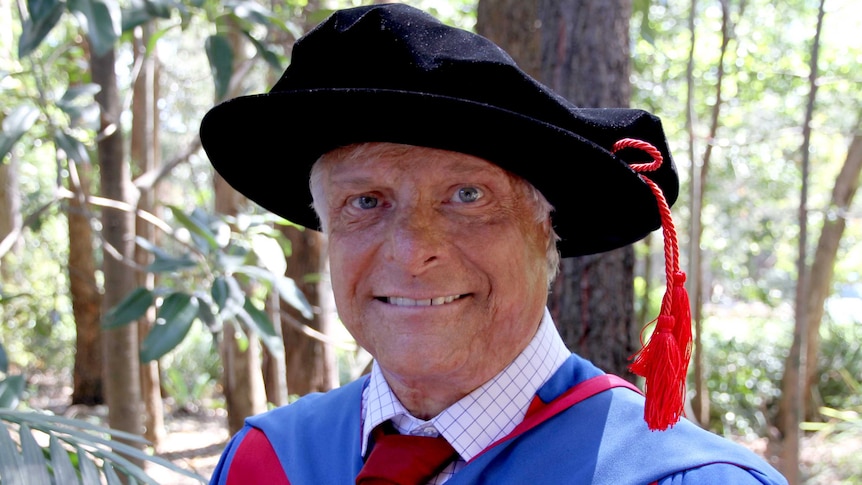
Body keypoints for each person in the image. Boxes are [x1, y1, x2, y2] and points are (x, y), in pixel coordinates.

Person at [200, 4, 787, 484]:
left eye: (467, 197)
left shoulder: (679, 479)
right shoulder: (267, 460)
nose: (410, 250)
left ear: (546, 232)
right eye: (366, 202)